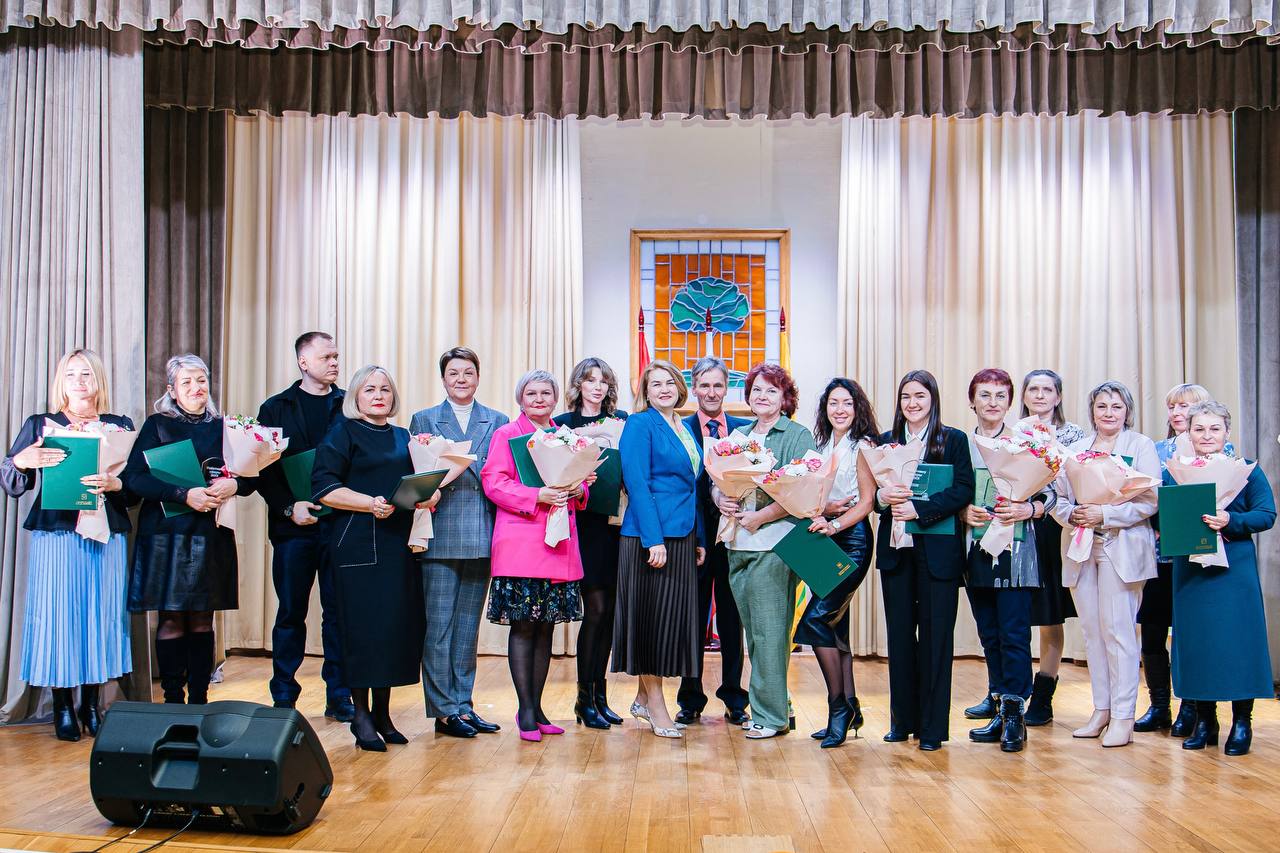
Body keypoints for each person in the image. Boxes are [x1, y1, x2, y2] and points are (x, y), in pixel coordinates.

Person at [2, 349, 136, 741]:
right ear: (61, 381)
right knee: (61, 617)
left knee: (99, 615)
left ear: (99, 380)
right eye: (72, 374)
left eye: (87, 374)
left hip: (107, 533)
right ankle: (62, 706)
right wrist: (22, 460)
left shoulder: (119, 426)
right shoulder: (41, 425)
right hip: (58, 533)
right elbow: (12, 483)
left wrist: (118, 484)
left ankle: (91, 705)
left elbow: (138, 487)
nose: (79, 381)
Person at [124, 354, 253, 706]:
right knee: (170, 618)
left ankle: (199, 699)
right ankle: (172, 700)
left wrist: (236, 485)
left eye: (201, 381)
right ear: (172, 390)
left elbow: (252, 476)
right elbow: (134, 478)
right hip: (166, 535)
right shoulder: (158, 425)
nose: (196, 388)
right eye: (186, 382)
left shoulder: (226, 427)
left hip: (210, 533)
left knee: (202, 619)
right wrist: (183, 494)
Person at [312, 364, 423, 751]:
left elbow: (415, 482)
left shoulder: (403, 436)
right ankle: (360, 715)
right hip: (356, 543)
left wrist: (427, 493)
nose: (378, 395)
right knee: (362, 630)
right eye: (369, 389)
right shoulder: (343, 433)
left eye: (385, 389)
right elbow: (324, 487)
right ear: (355, 397)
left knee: (391, 629)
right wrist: (368, 504)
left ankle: (383, 714)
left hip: (397, 544)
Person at [482, 370, 590, 742]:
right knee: (524, 626)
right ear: (521, 399)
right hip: (522, 542)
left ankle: (538, 707)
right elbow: (493, 481)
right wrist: (536, 496)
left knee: (546, 628)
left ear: (556, 398)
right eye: (532, 393)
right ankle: (525, 710)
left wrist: (579, 489)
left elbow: (581, 488)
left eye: (546, 393)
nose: (539, 399)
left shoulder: (568, 437)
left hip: (558, 544)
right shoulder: (507, 435)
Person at [1050, 381, 1159, 748]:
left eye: (1116, 406)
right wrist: (1073, 515)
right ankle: (1102, 709)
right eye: (1101, 406)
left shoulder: (1140, 446)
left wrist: (1105, 514)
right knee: (1093, 631)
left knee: (1119, 631)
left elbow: (1150, 500)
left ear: (1127, 411)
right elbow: (1057, 498)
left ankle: (1124, 716)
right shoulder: (1075, 450)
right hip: (1081, 546)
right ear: (1092, 411)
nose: (1109, 413)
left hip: (1121, 547)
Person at [409, 347, 509, 738]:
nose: (461, 379)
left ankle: (464, 705)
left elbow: (501, 474)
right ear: (443, 379)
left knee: (467, 629)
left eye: (468, 372)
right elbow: (417, 473)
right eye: (453, 373)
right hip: (439, 531)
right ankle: (443, 709)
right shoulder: (424, 419)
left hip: (482, 532)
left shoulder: (497, 421)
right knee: (438, 627)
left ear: (478, 377)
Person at [1165, 401, 1275, 756]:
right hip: (1191, 569)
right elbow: (1161, 516)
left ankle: (1242, 721)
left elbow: (1266, 514)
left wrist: (1231, 520)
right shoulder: (1176, 471)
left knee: (1239, 642)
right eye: (1199, 429)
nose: (1207, 435)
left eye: (1214, 429)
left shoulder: (1246, 470)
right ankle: (1205, 720)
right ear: (1188, 433)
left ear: (1227, 432)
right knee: (1198, 643)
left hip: (1234, 569)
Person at [255, 331, 353, 722]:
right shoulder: (275, 408)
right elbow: (262, 469)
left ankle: (340, 695)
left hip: (340, 526)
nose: (334, 362)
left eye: (336, 356)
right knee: (291, 613)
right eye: (326, 356)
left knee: (339, 614)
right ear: (303, 361)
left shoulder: (348, 404)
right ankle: (283, 695)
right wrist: (287, 508)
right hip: (293, 529)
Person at [874, 370, 974, 751]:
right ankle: (902, 721)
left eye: (920, 396)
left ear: (933, 399)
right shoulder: (885, 442)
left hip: (938, 554)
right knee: (900, 638)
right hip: (896, 553)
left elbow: (963, 489)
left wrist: (920, 509)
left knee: (936, 640)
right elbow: (874, 498)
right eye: (906, 397)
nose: (912, 403)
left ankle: (932, 729)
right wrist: (884, 499)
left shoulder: (953, 440)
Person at [716, 363, 816, 739]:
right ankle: (778, 704)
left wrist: (762, 516)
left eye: (772, 390)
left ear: (785, 398)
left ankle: (770, 717)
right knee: (756, 636)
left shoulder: (796, 435)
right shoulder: (739, 435)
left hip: (774, 545)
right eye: (757, 389)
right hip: (737, 544)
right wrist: (720, 498)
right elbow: (719, 481)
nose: (762, 396)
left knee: (770, 634)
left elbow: (801, 489)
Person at [612, 360, 705, 738]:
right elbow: (636, 483)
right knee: (653, 624)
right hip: (650, 539)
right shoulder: (640, 424)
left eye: (670, 382)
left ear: (680, 387)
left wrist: (698, 537)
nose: (664, 389)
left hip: (682, 535)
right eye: (656, 384)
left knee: (668, 621)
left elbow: (692, 487)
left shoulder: (684, 426)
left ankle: (641, 698)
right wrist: (654, 540)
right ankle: (656, 705)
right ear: (645, 393)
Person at [960, 369, 1049, 754]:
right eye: (985, 395)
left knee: (1014, 634)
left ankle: (1015, 716)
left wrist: (1029, 508)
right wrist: (963, 511)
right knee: (990, 634)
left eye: (1000, 396)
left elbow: (1054, 496)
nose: (992, 402)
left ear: (1010, 402)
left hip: (1017, 551)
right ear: (972, 401)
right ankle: (998, 706)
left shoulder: (1026, 443)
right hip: (975, 550)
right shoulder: (961, 445)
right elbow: (952, 493)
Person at [1136, 383, 1231, 737]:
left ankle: (1191, 706)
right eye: (1173, 406)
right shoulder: (1156, 449)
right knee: (1152, 631)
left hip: (1200, 557)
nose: (1178, 412)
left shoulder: (1224, 451)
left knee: (1189, 634)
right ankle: (1159, 705)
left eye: (1187, 406)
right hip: (1161, 556)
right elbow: (1146, 497)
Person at [798, 378, 879, 748]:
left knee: (815, 620)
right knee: (835, 625)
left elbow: (866, 502)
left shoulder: (863, 446)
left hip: (853, 540)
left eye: (847, 403)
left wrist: (834, 524)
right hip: (821, 539)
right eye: (833, 403)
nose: (840, 409)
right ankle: (851, 704)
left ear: (857, 407)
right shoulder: (820, 446)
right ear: (825, 408)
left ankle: (837, 709)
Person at [553, 357, 628, 729]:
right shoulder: (562, 425)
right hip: (582, 525)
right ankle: (584, 699)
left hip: (615, 525)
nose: (597, 387)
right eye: (590, 380)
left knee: (610, 613)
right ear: (578, 385)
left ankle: (600, 696)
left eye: (603, 381)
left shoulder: (622, 422)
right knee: (595, 609)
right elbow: (553, 474)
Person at [676, 357, 750, 727]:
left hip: (737, 535)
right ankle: (690, 698)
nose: (711, 392)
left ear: (726, 388)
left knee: (733, 620)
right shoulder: (681, 430)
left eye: (717, 385)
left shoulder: (743, 431)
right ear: (694, 388)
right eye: (704, 385)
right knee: (692, 617)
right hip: (695, 538)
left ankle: (735, 697)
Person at [1016, 369, 1085, 726]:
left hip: (1054, 528)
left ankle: (1043, 695)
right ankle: (1006, 691)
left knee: (1049, 613)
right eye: (1034, 389)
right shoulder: (1012, 434)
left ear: (1058, 396)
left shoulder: (1076, 437)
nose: (1040, 395)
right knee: (1010, 613)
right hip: (1015, 524)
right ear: (1024, 395)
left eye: (1047, 390)